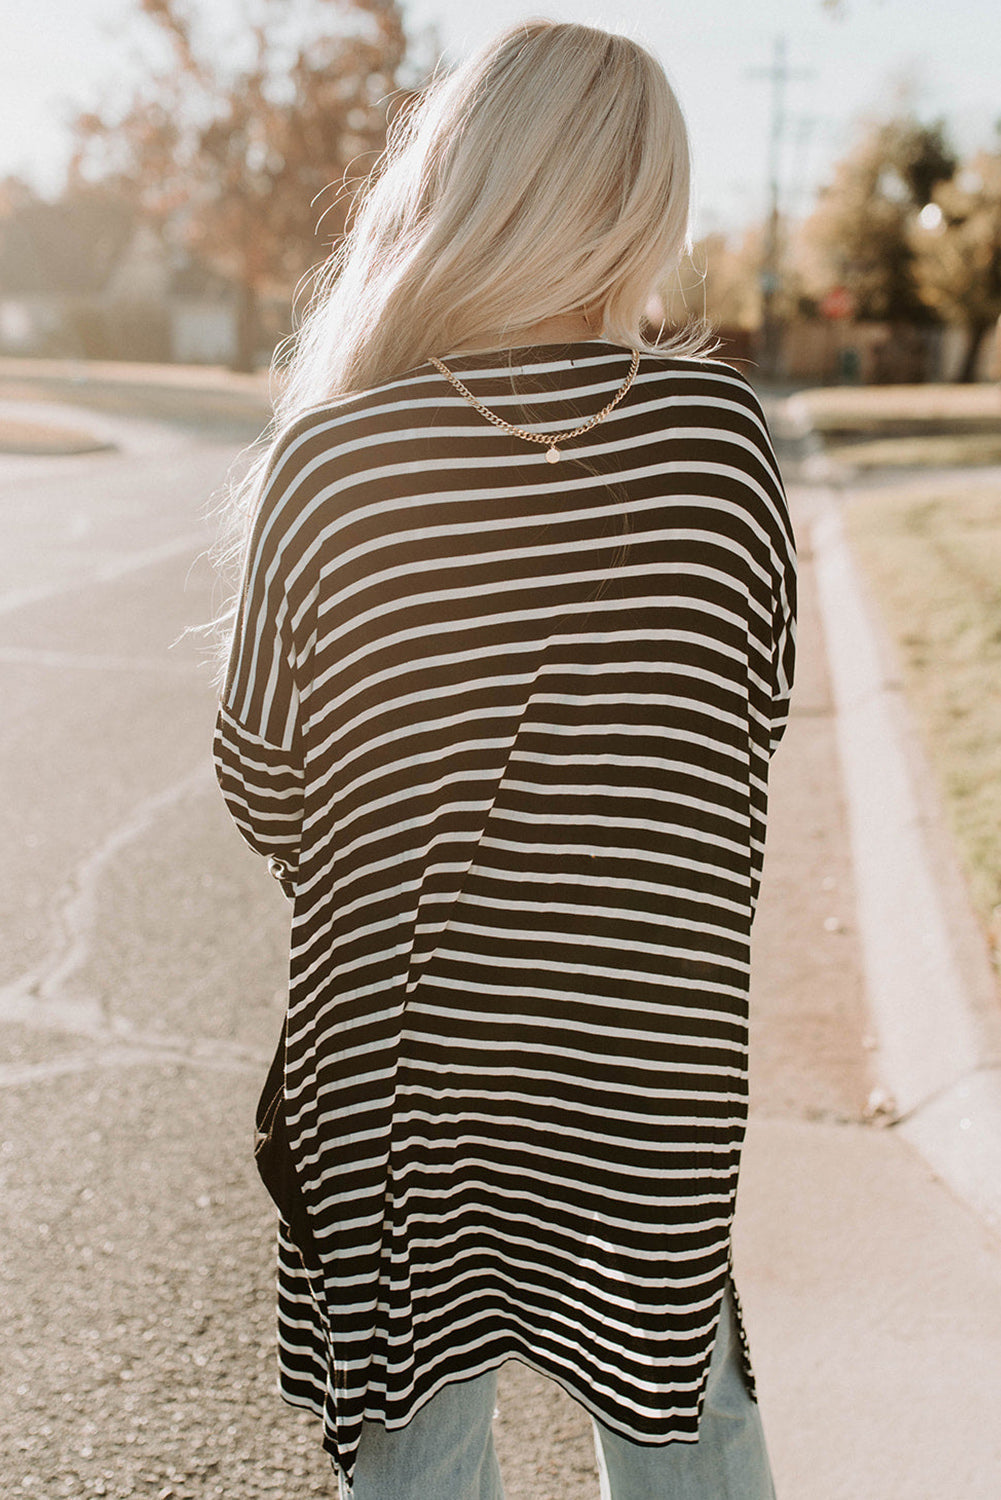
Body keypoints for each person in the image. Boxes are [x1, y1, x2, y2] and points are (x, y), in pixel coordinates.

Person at [213, 19, 795, 1500]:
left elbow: (263, 777)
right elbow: (749, 716)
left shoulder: (337, 453)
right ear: (636, 206)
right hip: (640, 1040)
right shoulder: (716, 438)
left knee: (417, 1432)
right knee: (681, 1412)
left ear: (458, 184)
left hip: (403, 1051)